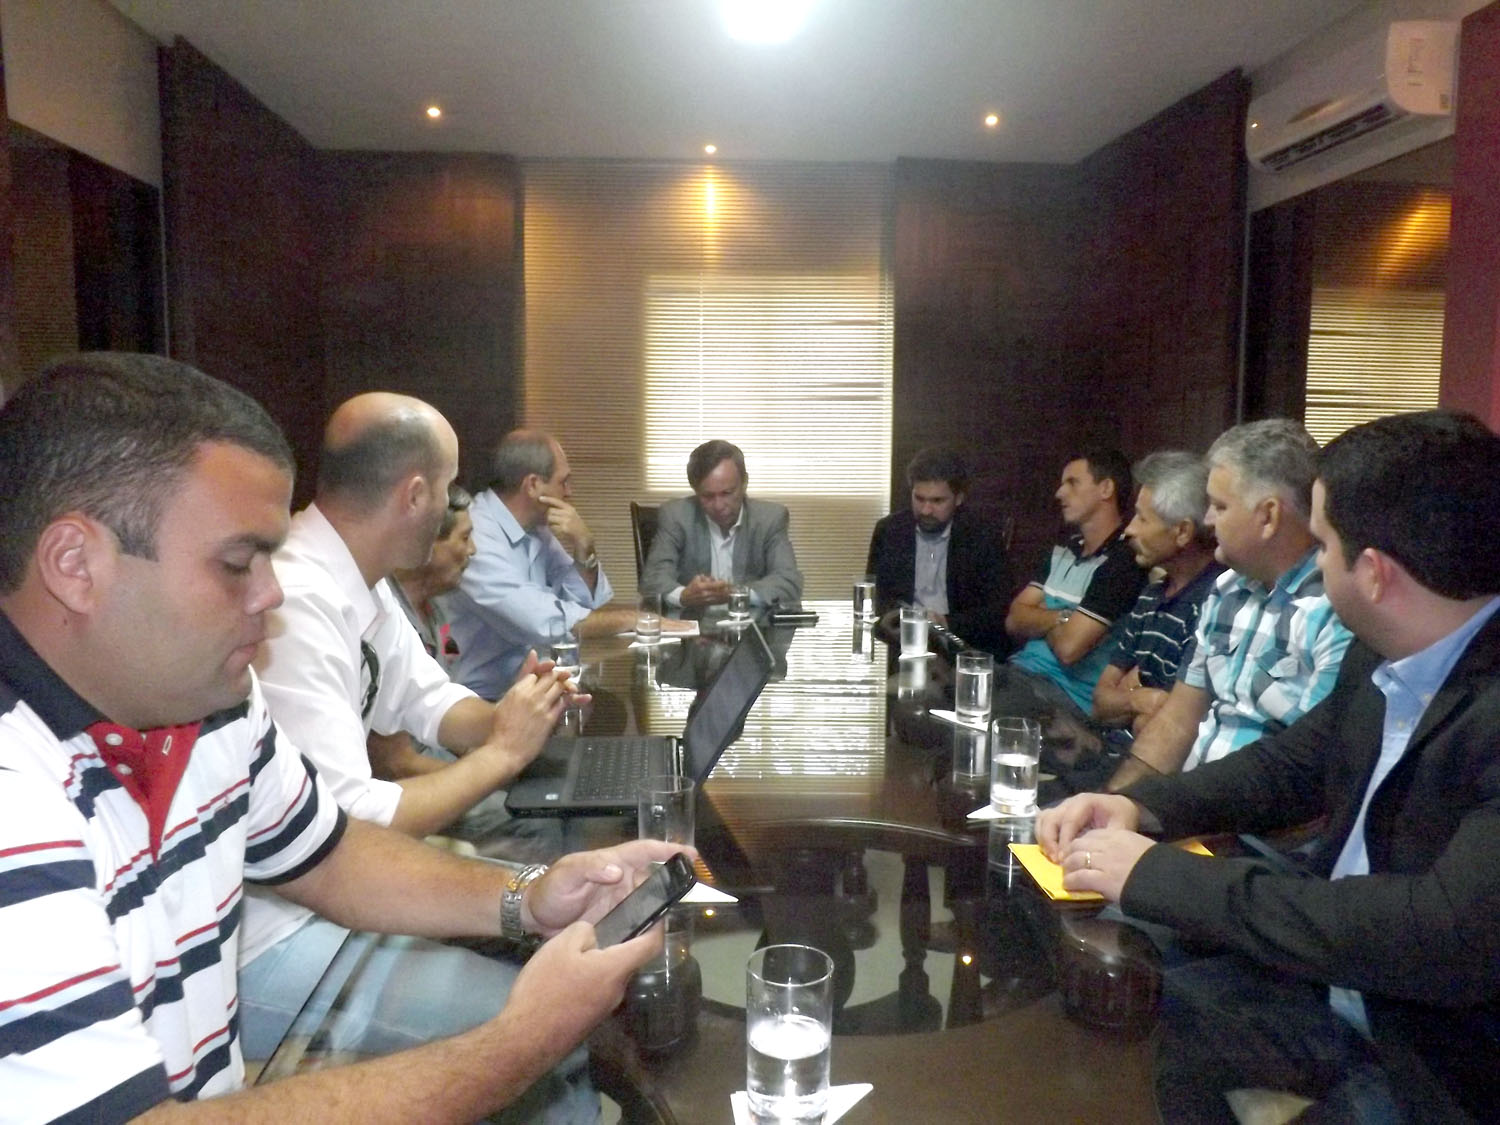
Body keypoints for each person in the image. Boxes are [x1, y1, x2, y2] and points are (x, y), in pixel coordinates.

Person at [0, 353, 677, 1122]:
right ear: (75, 564)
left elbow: (329, 853)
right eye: (238, 562)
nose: (272, 592)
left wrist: (527, 897)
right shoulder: (15, 796)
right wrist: (524, 1036)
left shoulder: (209, 700)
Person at [1038, 410, 1500, 1122]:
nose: (1316, 562)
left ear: (1374, 573)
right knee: (1107, 1016)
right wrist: (1142, 807)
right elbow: (1291, 765)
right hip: (1327, 986)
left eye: (1325, 544)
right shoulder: (1383, 651)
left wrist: (1159, 874)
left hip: (1437, 1059)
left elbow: (1437, 934)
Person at [1107, 420, 1352, 788]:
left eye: (1219, 506)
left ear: (1268, 516)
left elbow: (1313, 774)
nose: (1207, 520)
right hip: (1192, 802)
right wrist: (1117, 802)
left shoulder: (1334, 611)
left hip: (1260, 818)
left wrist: (1181, 812)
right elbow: (1177, 721)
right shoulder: (1227, 590)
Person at [448, 429, 680, 699]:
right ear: (533, 485)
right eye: (564, 482)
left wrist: (585, 546)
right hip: (481, 699)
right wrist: (632, 619)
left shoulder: (535, 528)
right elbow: (549, 623)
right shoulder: (476, 537)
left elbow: (583, 605)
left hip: (534, 686)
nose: (569, 492)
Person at [1004, 448, 1148, 714]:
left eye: (1072, 483)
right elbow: (1013, 620)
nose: (1060, 493)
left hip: (1065, 696)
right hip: (1020, 672)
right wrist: (1064, 618)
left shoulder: (1124, 560)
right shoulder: (1063, 549)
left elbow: (1069, 649)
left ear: (1106, 489)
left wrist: (1039, 618)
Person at [1091, 451, 1221, 734]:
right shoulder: (1151, 595)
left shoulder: (1215, 602)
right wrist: (1143, 698)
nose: (1129, 530)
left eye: (1141, 518)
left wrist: (1128, 697)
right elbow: (1100, 703)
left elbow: (1171, 724)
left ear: (1183, 531)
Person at [865, 446, 1013, 655]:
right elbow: (875, 595)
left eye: (937, 501)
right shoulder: (889, 530)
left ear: (958, 498)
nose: (926, 510)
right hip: (902, 642)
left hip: (961, 645)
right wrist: (896, 618)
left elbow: (998, 609)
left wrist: (945, 622)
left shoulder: (982, 535)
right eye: (919, 498)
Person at [640, 438, 804, 612]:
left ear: (744, 484)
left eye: (727, 493)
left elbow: (788, 582)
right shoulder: (676, 515)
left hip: (750, 624)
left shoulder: (770, 518)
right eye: (707, 496)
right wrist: (683, 596)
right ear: (695, 491)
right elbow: (652, 579)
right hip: (691, 623)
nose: (718, 506)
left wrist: (736, 593)